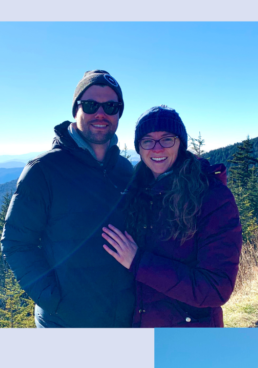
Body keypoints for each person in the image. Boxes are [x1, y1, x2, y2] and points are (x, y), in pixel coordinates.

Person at [1, 70, 135, 327]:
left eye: (111, 106)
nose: (101, 113)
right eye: (90, 105)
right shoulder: (43, 170)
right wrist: (55, 301)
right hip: (63, 322)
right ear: (76, 109)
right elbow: (16, 243)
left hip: (121, 318)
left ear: (119, 114)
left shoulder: (124, 170)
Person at [101, 106, 242, 327]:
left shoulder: (212, 198)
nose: (157, 148)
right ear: (139, 147)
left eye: (167, 139)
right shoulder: (137, 191)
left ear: (180, 144)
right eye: (147, 140)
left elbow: (216, 288)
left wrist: (138, 262)